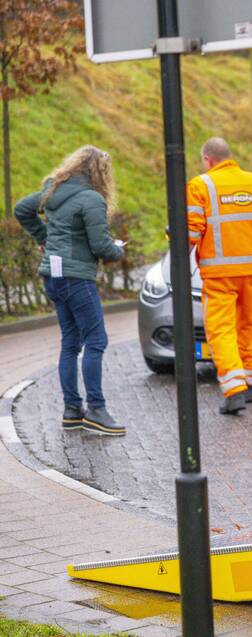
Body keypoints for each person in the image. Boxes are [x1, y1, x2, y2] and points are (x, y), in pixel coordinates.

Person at [15, 146, 126, 436]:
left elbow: (22, 209)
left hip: (53, 275)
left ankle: (72, 410)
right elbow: (101, 246)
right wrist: (117, 250)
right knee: (97, 340)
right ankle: (97, 410)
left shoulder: (53, 189)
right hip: (77, 277)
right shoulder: (92, 199)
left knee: (70, 341)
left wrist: (44, 238)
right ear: (100, 172)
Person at [186, 137, 252, 415]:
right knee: (248, 326)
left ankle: (234, 390)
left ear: (207, 160)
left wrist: (176, 247)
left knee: (221, 330)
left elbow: (191, 232)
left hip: (220, 274)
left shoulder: (201, 185)